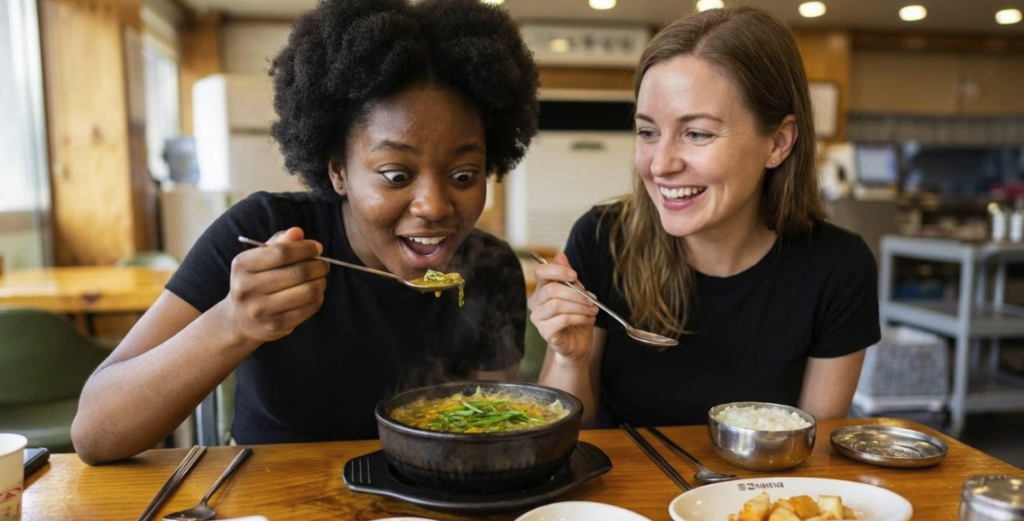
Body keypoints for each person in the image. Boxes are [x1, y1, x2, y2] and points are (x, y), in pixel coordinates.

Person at [72, 0, 539, 464]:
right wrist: (233, 323)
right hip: (271, 497)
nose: (435, 206)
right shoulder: (263, 233)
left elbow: (489, 433)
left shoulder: (491, 268)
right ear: (338, 171)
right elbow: (95, 433)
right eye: (396, 175)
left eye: (463, 175)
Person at [529, 6, 879, 429]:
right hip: (622, 492)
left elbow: (814, 445)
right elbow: (565, 435)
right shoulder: (603, 238)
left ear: (778, 142)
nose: (660, 165)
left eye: (697, 133)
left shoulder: (837, 267)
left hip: (758, 492)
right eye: (647, 132)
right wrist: (570, 357)